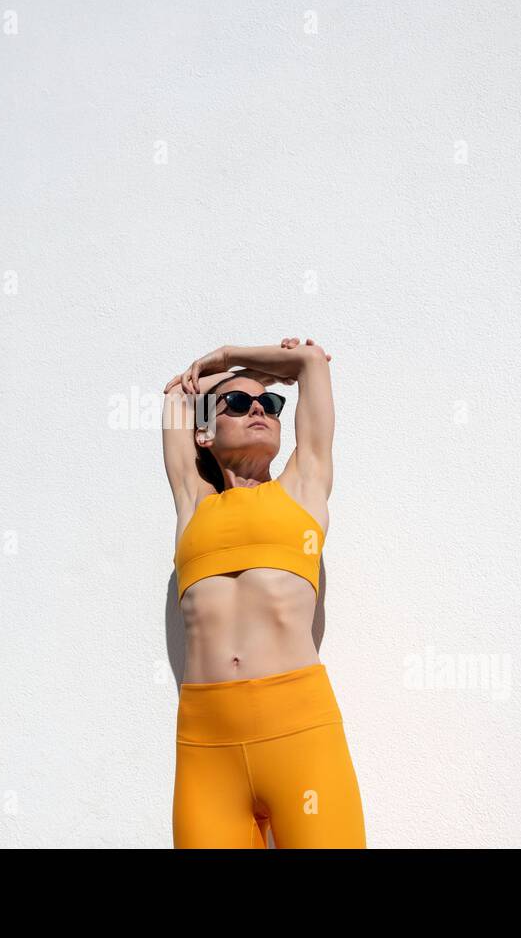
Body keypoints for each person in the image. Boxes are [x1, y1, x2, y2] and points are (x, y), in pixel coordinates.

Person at [161, 337, 366, 848]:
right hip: (207, 747)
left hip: (300, 734)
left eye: (270, 404)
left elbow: (310, 362)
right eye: (237, 403)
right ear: (204, 434)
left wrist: (230, 360)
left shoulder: (303, 485)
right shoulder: (192, 501)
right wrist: (227, 381)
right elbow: (175, 398)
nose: (259, 408)